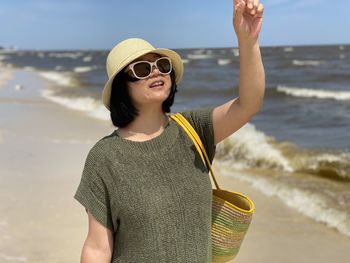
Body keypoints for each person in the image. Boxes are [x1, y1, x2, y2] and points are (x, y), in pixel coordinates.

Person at [74, 0, 265, 262]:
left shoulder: (193, 130)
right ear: (122, 87)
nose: (156, 71)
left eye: (162, 65)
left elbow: (249, 104)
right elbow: (97, 247)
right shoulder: (104, 157)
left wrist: (249, 41)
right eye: (142, 68)